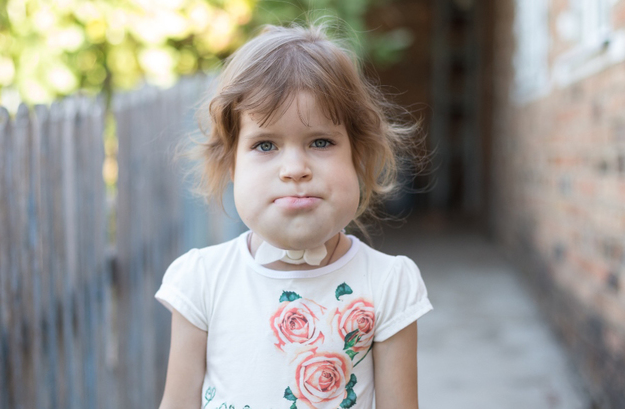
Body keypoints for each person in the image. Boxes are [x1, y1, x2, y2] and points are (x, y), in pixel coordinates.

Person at [155, 21, 433, 409]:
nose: (294, 169)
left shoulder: (387, 284)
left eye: (320, 141)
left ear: (358, 156)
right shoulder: (201, 282)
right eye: (265, 145)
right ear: (232, 164)